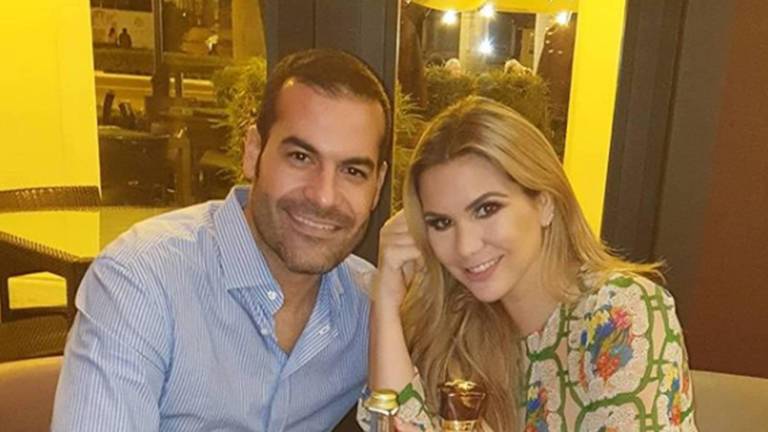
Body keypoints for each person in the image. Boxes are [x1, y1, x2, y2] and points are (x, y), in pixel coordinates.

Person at [52, 49, 391, 431]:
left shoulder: (368, 308)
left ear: (377, 186)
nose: (324, 197)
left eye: (352, 171)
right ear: (253, 152)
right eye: (300, 157)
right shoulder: (143, 280)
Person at [361, 96, 697, 431]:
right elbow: (391, 424)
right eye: (441, 223)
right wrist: (386, 300)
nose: (465, 247)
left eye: (486, 209)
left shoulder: (620, 310)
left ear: (545, 202)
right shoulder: (454, 325)